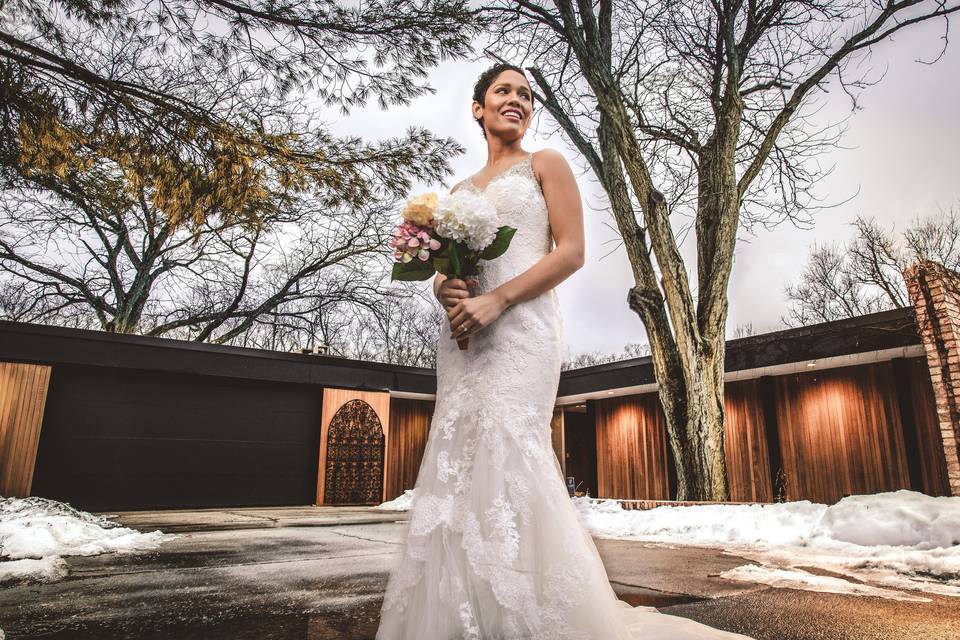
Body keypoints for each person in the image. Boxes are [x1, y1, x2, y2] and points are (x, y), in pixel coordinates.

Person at [375, 62, 755, 640]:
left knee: (511, 448)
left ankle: (534, 615)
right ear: (478, 108)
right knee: (460, 457)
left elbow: (571, 252)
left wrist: (498, 300)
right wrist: (444, 287)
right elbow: (448, 272)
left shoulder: (545, 165)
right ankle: (467, 615)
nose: (517, 100)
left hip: (522, 326)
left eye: (526, 94)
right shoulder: (455, 195)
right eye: (503, 91)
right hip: (465, 339)